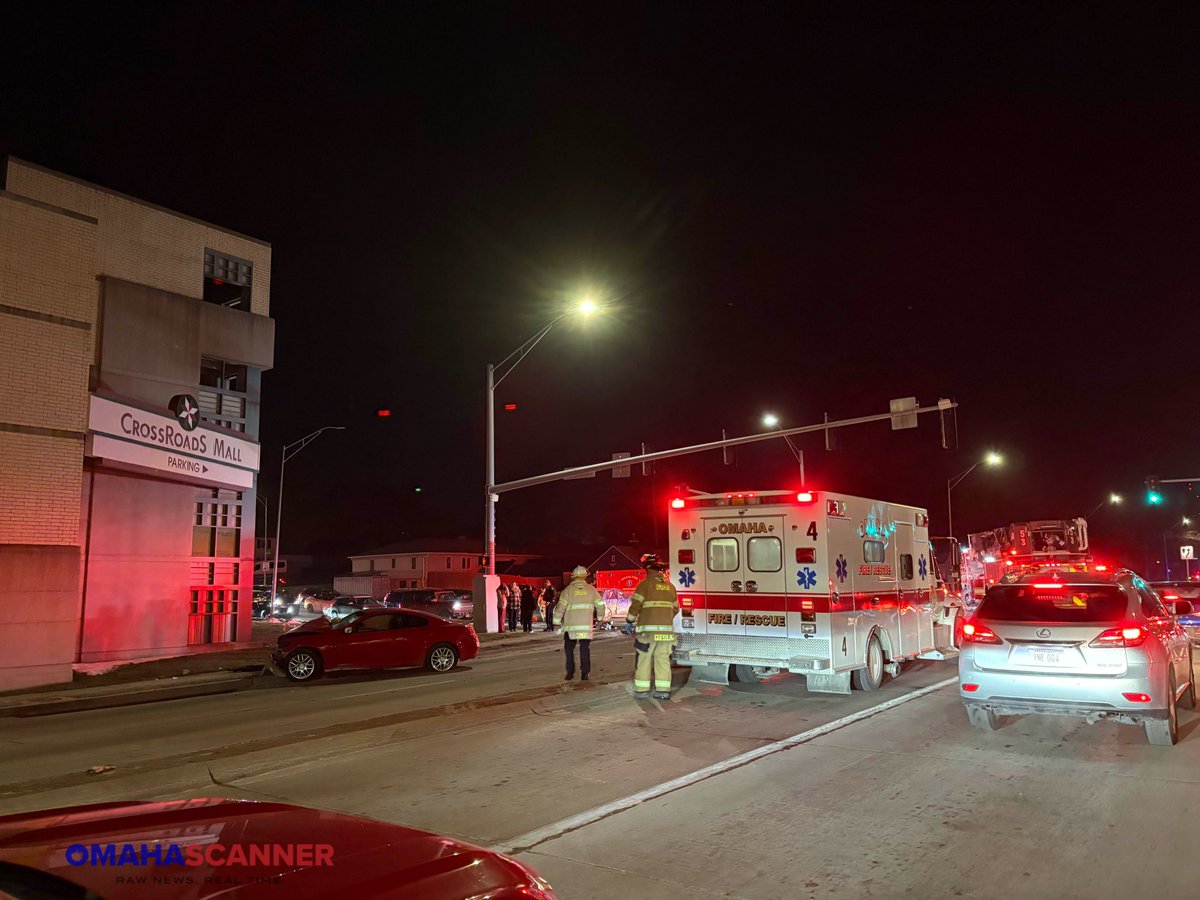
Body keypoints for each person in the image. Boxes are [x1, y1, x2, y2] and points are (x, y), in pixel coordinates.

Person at [625, 553, 679, 700]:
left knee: (644, 660)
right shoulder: (670, 587)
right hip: (666, 634)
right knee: (662, 660)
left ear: (647, 569)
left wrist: (629, 621)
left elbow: (635, 606)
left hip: (647, 633)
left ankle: (642, 690)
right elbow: (676, 608)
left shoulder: (644, 585)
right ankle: (663, 691)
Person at [555, 566, 607, 680]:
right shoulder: (591, 590)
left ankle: (570, 673)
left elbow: (560, 607)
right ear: (585, 577)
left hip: (571, 627)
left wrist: (556, 621)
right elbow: (600, 605)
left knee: (569, 650)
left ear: (573, 577)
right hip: (585, 627)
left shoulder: (567, 591)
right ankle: (585, 673)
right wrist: (599, 618)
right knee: (584, 648)